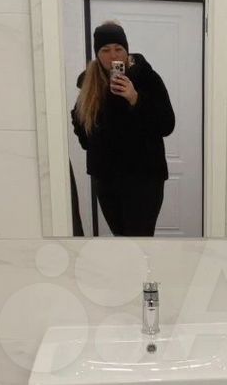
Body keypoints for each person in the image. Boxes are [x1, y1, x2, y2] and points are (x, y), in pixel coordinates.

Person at [71, 21, 175, 236]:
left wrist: (135, 99)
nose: (112, 55)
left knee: (140, 239)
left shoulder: (147, 78)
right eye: (105, 50)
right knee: (121, 240)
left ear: (127, 50)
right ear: (97, 54)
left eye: (118, 48)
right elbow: (85, 138)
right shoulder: (89, 84)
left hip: (144, 178)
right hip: (106, 179)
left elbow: (167, 124)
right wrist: (80, 117)